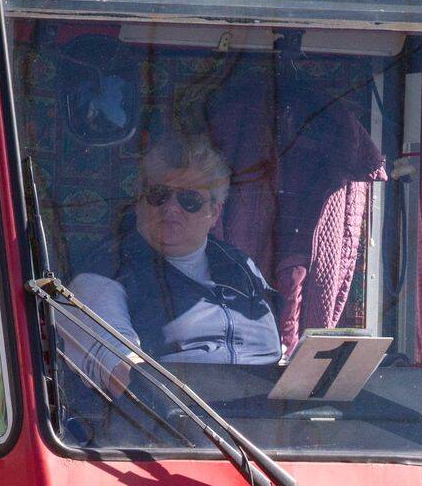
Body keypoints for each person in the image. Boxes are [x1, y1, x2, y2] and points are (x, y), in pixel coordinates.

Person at [70, 135, 283, 381]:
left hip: (273, 402)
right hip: (180, 405)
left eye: (189, 200)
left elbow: (280, 347)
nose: (171, 208)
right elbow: (125, 375)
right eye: (158, 195)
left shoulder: (240, 266)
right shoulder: (105, 273)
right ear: (139, 202)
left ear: (215, 212)